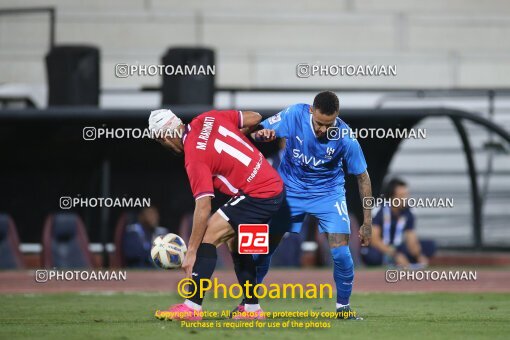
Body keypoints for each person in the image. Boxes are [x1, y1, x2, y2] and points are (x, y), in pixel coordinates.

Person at [238, 91, 373, 320]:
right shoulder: (294, 114)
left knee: (341, 253)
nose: (322, 129)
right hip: (290, 190)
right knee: (263, 247)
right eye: (319, 123)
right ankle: (247, 305)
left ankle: (343, 308)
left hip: (328, 195)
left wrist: (367, 222)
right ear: (311, 111)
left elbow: (363, 177)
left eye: (328, 124)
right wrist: (264, 136)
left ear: (337, 117)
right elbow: (256, 132)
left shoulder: (346, 137)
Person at [148, 108, 285, 321]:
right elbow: (256, 117)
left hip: (259, 193)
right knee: (236, 244)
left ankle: (192, 308)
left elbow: (203, 207)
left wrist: (191, 251)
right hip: (272, 185)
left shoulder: (194, 155)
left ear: (165, 136)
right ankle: (252, 309)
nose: (164, 145)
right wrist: (238, 134)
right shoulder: (207, 117)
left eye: (160, 141)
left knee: (208, 235)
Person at [361, 178, 435, 269]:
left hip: (398, 247)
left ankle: (402, 260)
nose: (405, 199)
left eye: (406, 195)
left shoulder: (409, 211)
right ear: (391, 197)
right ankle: (392, 261)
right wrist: (395, 255)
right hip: (382, 248)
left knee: (430, 245)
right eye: (401, 196)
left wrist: (418, 255)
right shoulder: (378, 209)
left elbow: (411, 238)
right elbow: (374, 240)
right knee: (372, 255)